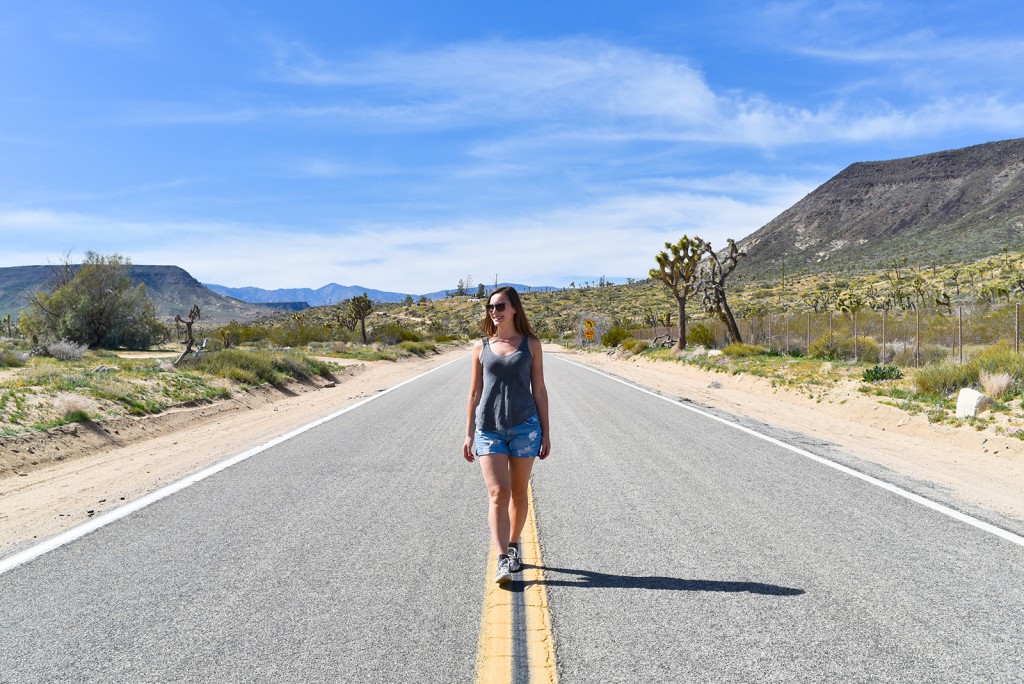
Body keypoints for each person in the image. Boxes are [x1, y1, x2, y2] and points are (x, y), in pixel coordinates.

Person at [463, 286, 551, 584]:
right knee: (498, 493)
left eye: (500, 306)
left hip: (526, 427)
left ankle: (513, 546)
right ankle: (502, 560)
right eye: (490, 307)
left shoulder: (531, 344)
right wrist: (468, 434)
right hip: (489, 428)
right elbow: (475, 392)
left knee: (518, 491)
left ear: (514, 308)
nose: (494, 312)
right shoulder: (481, 347)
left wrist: (547, 432)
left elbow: (538, 389)